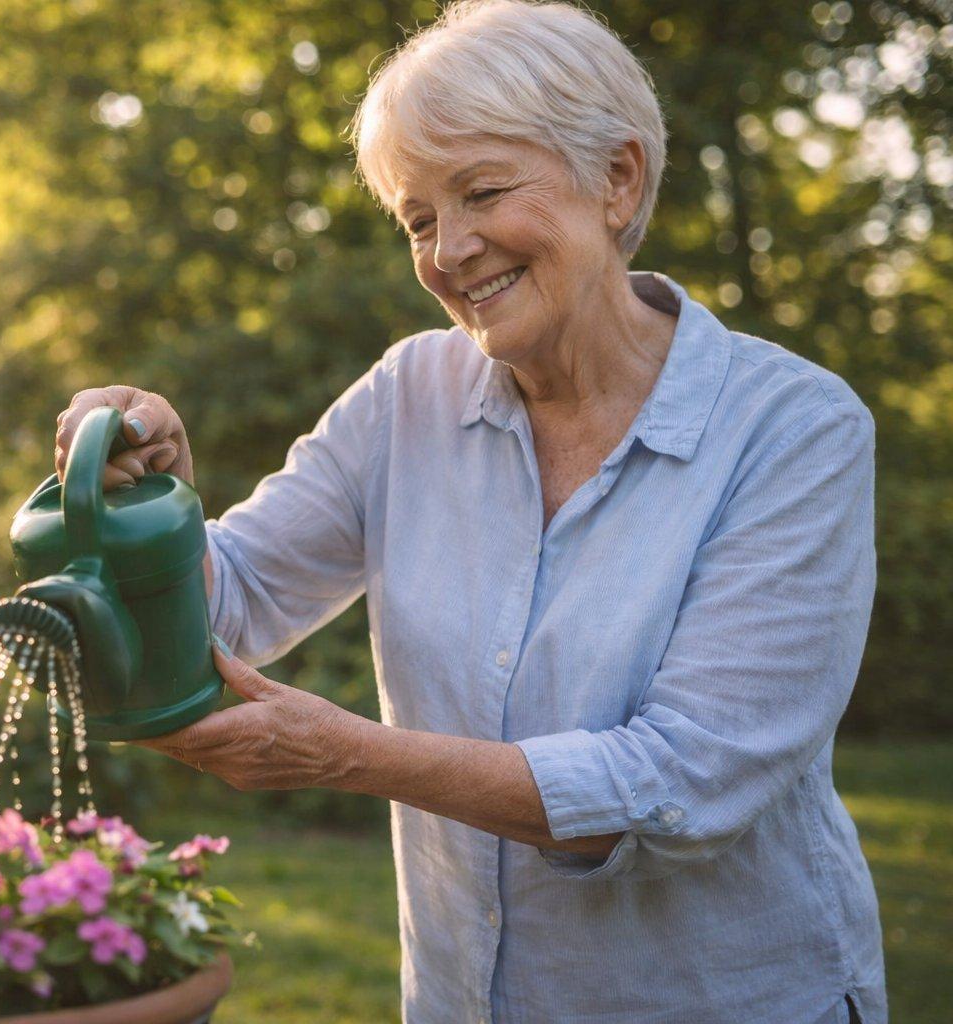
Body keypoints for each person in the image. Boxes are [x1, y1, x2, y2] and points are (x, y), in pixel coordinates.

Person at [54, 2, 884, 1020]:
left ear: (616, 180)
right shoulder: (408, 396)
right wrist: (156, 503)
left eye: (482, 190)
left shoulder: (791, 429)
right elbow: (234, 600)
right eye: (416, 219)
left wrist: (347, 753)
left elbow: (688, 781)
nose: (448, 250)